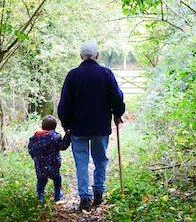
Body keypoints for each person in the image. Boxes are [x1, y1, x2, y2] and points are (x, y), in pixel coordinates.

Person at [57, 42, 125, 211]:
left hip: (78, 128)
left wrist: (67, 125)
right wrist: (118, 113)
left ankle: (85, 198)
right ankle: (99, 193)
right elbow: (117, 97)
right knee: (100, 159)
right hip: (100, 126)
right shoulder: (106, 73)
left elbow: (64, 105)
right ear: (97, 55)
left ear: (81, 56)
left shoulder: (72, 76)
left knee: (82, 162)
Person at [28, 115, 71, 202]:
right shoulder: (55, 137)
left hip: (40, 165)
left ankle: (40, 197)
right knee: (57, 179)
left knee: (41, 180)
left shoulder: (34, 139)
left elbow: (31, 150)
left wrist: (36, 159)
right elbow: (63, 146)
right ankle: (57, 195)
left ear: (42, 126)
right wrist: (68, 135)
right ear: (54, 127)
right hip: (53, 165)